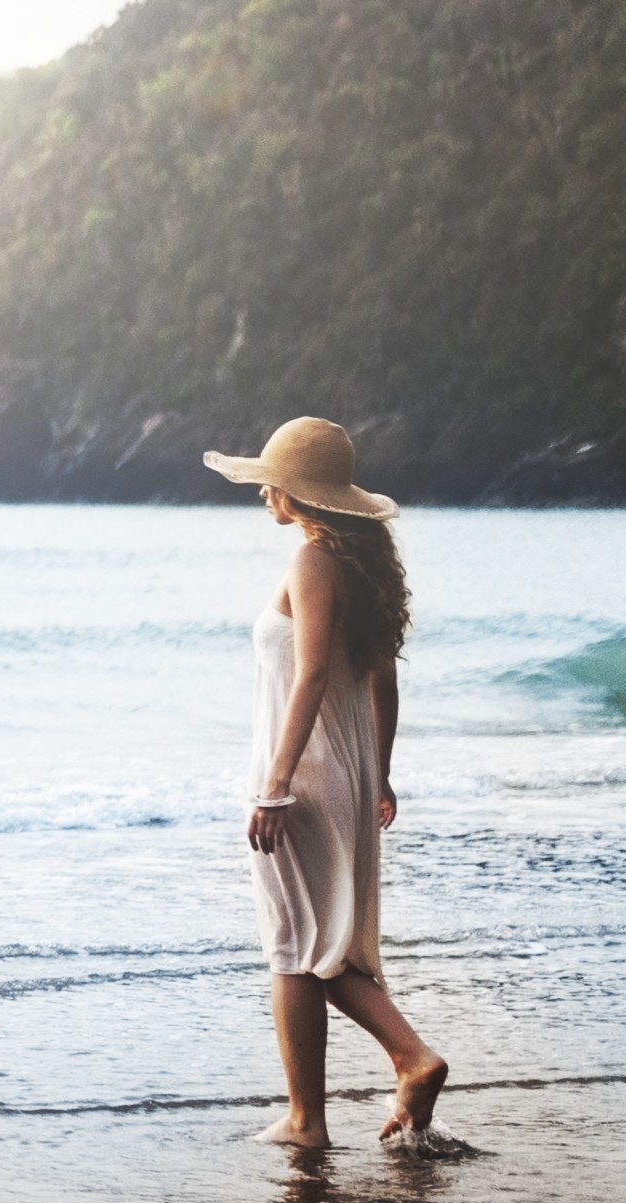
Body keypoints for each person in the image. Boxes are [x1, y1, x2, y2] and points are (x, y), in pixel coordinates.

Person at [204, 418, 448, 1147]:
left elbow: (310, 672)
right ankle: (313, 1114)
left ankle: (391, 1069)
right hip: (344, 772)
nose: (264, 495)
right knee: (318, 944)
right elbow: (382, 684)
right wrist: (380, 773)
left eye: (270, 482)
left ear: (293, 492)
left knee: (294, 948)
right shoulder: (365, 569)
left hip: (303, 777)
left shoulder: (312, 562)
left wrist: (274, 785)